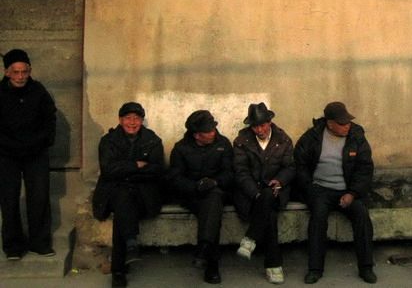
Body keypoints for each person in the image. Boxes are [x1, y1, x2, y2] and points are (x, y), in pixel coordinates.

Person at [294, 101, 376, 284]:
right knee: (318, 217)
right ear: (330, 123)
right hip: (320, 189)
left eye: (348, 122)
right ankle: (315, 269)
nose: (347, 126)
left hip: (347, 190)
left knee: (362, 215)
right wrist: (309, 188)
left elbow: (365, 169)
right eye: (342, 123)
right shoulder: (312, 137)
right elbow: (300, 164)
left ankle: (366, 267)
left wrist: (352, 193)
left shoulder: (356, 136)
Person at [92, 102, 164, 288]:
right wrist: (135, 165)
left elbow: (157, 170)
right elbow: (108, 170)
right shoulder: (108, 141)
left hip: (143, 195)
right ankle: (129, 245)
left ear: (141, 121)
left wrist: (124, 171)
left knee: (123, 208)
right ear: (120, 120)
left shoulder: (152, 140)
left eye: (136, 118)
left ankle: (119, 270)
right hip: (113, 194)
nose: (132, 122)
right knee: (123, 200)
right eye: (128, 118)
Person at [0, 49, 57, 260]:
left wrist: (42, 141)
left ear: (30, 70)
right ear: (7, 72)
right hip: (7, 154)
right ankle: (13, 246)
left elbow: (50, 119)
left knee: (39, 197)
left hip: (36, 153)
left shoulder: (38, 91)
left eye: (24, 72)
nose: (20, 77)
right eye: (16, 72)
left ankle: (39, 243)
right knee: (9, 199)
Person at [167, 109, 233, 284]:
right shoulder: (181, 148)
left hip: (218, 191)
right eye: (208, 131)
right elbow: (175, 178)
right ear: (196, 135)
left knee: (213, 200)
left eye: (213, 129)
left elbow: (230, 172)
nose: (213, 133)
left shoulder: (223, 144)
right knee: (211, 209)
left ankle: (205, 250)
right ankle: (211, 261)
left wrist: (215, 182)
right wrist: (195, 186)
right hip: (192, 195)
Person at [233, 102, 295, 285]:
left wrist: (280, 181)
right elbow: (241, 172)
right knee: (269, 214)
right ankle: (274, 265)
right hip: (249, 193)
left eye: (262, 125)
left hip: (276, 191)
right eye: (255, 126)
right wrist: (255, 193)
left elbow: (290, 167)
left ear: (269, 122)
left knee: (268, 197)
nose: (259, 130)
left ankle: (250, 238)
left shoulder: (283, 139)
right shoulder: (242, 141)